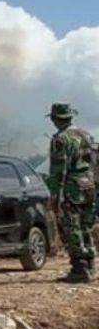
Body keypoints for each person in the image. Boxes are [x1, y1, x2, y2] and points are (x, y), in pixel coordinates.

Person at [46, 102, 96, 283]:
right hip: (89, 186)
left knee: (71, 227)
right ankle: (90, 264)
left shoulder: (60, 140)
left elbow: (58, 171)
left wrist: (54, 196)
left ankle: (80, 267)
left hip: (71, 188)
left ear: (54, 119)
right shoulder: (86, 135)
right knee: (85, 226)